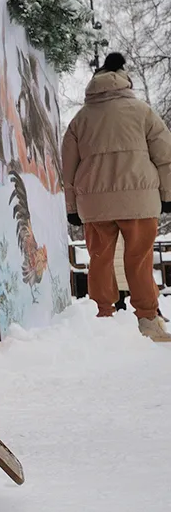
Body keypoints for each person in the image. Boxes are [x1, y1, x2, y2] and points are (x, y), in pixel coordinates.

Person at [62, 52, 171, 342]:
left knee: (100, 260)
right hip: (140, 200)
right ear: (124, 79)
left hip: (95, 204)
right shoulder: (142, 111)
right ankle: (148, 321)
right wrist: (168, 195)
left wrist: (72, 208)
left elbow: (68, 169)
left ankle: (103, 319)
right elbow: (165, 156)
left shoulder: (80, 120)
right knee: (140, 261)